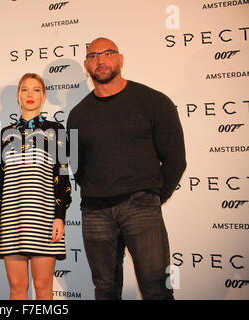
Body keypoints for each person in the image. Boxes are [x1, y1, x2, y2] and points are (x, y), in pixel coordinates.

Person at [67, 37, 186, 300]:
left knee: (155, 287)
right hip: (95, 211)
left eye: (108, 53)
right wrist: (93, 195)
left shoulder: (153, 101)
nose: (101, 60)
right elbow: (77, 166)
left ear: (120, 59)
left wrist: (151, 196)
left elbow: (176, 158)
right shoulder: (77, 115)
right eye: (94, 55)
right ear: (87, 65)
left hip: (140, 206)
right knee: (105, 289)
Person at [0, 73, 71, 300]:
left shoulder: (56, 130)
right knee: (16, 287)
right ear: (18, 96)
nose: (30, 94)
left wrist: (60, 216)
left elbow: (62, 176)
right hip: (11, 218)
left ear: (43, 96)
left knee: (43, 287)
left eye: (36, 90)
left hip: (44, 218)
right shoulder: (6, 133)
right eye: (25, 89)